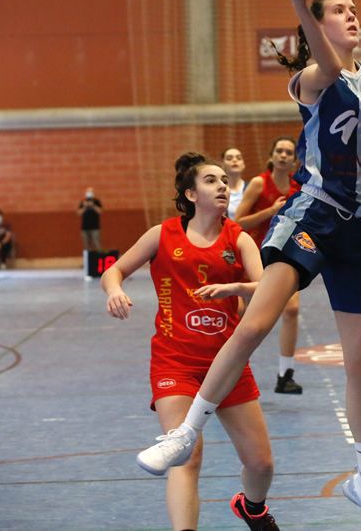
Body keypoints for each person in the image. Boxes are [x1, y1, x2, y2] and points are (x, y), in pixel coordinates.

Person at [135, 0, 361, 531]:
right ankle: (184, 433)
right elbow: (329, 65)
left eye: (353, 6)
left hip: (358, 230)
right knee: (257, 322)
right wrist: (298, 5)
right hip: (312, 213)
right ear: (317, 26)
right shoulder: (311, 78)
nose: (352, 12)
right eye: (339, 8)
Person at [102, 153, 279, 531]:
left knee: (261, 463)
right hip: (175, 362)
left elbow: (268, 288)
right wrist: (114, 290)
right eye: (211, 181)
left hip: (228, 364)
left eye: (223, 181)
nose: (222, 187)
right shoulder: (162, 234)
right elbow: (115, 269)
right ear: (190, 193)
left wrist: (236, 287)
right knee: (186, 456)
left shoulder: (239, 238)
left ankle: (252, 507)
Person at [233, 137, 303, 394]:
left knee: (292, 310)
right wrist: (269, 212)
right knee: (242, 315)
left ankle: (286, 374)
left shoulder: (300, 186)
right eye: (279, 151)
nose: (284, 155)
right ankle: (230, 369)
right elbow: (237, 223)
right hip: (256, 255)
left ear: (295, 159)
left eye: (288, 152)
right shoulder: (260, 183)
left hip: (286, 255)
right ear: (272, 156)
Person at [221, 147, 249, 220]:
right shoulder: (219, 189)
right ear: (222, 164)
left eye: (239, 158)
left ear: (243, 164)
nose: (234, 160)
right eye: (229, 158)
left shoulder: (251, 187)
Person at [77, 187, 103, 251]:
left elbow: (100, 211)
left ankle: (99, 256)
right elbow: (79, 213)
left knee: (97, 243)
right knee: (86, 245)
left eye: (91, 192)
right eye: (88, 192)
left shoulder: (96, 201)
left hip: (95, 227)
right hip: (85, 227)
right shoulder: (83, 202)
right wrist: (85, 206)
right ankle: (88, 259)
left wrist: (93, 206)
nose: (89, 193)